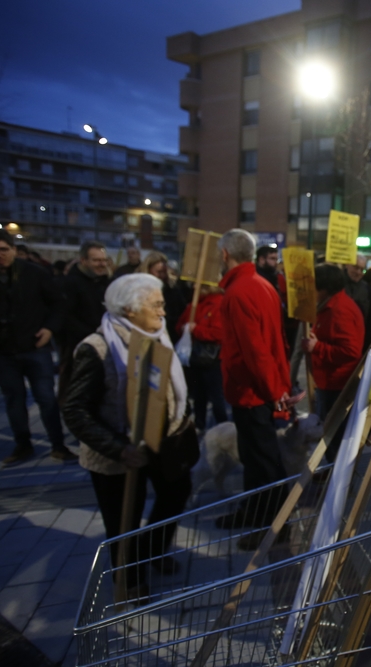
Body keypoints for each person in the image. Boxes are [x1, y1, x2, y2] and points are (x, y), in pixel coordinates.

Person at [62, 274, 191, 590]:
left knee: (176, 492)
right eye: (156, 305)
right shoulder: (97, 348)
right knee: (123, 520)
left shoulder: (156, 335)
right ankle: (129, 581)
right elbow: (74, 410)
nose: (163, 313)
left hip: (160, 440)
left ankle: (153, 550)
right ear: (130, 310)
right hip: (116, 454)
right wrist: (119, 447)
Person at [214, 229, 294, 544]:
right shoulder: (261, 285)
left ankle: (274, 526)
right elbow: (275, 343)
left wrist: (275, 393)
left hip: (254, 392)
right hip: (257, 389)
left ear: (224, 255)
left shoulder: (240, 290)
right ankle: (254, 510)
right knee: (255, 459)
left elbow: (256, 351)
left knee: (265, 464)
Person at [0, 229, 73, 465]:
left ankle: (58, 445)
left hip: (34, 345)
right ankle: (22, 445)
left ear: (14, 249)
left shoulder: (35, 273)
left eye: (3, 249)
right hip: (0, 349)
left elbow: (58, 304)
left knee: (46, 398)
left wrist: (49, 329)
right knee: (14, 399)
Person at [303, 264, 364, 459]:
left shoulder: (340, 310)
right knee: (330, 436)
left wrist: (317, 347)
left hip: (337, 385)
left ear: (324, 288)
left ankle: (333, 482)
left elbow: (350, 351)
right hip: (329, 381)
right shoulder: (329, 306)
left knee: (333, 438)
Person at [58, 241, 111, 411]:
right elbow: (66, 317)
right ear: (84, 261)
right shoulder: (70, 283)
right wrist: (92, 335)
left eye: (103, 260)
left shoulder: (104, 281)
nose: (101, 264)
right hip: (79, 346)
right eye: (96, 260)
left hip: (104, 344)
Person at [177, 285, 228, 432]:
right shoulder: (193, 304)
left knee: (216, 395)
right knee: (198, 395)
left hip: (212, 359)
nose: (194, 287)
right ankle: (199, 425)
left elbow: (219, 334)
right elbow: (180, 324)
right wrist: (183, 329)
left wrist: (196, 330)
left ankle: (222, 427)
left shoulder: (218, 304)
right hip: (194, 358)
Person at [138, 251, 186, 343]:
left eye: (164, 272)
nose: (163, 275)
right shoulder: (138, 290)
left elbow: (181, 310)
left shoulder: (172, 289)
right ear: (148, 270)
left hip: (169, 336)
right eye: (159, 272)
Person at [343, 253, 371, 323]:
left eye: (362, 270)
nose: (359, 272)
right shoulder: (337, 282)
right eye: (356, 267)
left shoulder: (365, 287)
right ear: (347, 265)